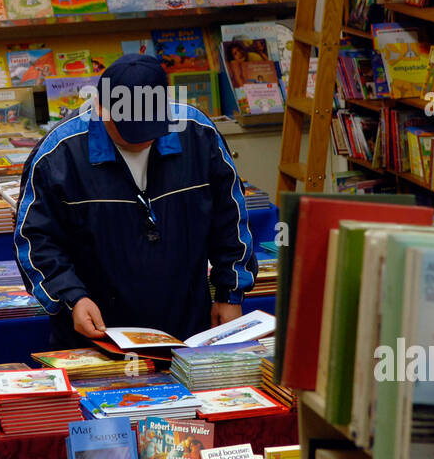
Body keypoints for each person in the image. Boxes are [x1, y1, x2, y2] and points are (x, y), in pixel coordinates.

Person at [14, 53, 257, 349]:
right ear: (100, 108)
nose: (141, 140)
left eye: (150, 129)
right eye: (129, 129)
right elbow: (35, 239)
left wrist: (229, 294)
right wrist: (72, 297)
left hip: (188, 325)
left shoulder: (197, 134)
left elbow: (230, 217)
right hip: (97, 334)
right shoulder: (59, 155)